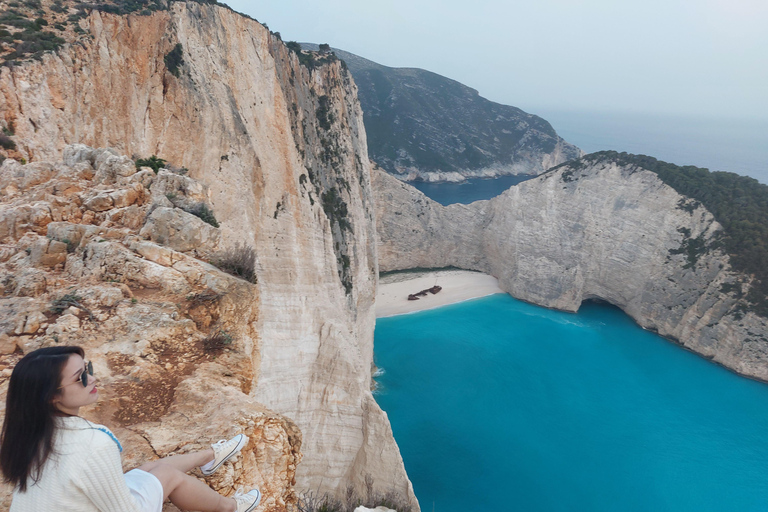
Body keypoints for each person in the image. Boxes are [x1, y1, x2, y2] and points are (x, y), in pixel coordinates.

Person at [0, 346, 262, 512]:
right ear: (51, 396)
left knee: (144, 471)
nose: (92, 378)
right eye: (80, 377)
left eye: (87, 369)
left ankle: (209, 457)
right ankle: (230, 508)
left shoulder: (30, 433)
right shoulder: (93, 444)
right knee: (169, 475)